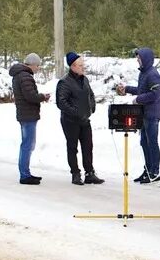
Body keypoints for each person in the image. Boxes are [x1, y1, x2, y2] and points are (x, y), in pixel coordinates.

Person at [55, 52, 105, 186]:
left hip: (85, 119)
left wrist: (92, 107)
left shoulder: (84, 79)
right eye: (81, 65)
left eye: (83, 65)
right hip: (70, 121)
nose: (84, 67)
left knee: (88, 146)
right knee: (72, 147)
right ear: (73, 66)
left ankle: (90, 173)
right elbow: (61, 102)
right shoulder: (64, 82)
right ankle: (75, 173)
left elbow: (91, 95)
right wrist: (75, 112)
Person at [126, 46, 160, 183]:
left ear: (146, 59)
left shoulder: (153, 74)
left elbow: (155, 94)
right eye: (137, 57)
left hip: (152, 114)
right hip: (144, 114)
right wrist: (126, 89)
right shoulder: (143, 73)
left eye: (139, 57)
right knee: (144, 142)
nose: (137, 59)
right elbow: (141, 90)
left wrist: (138, 99)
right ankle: (148, 170)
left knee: (151, 143)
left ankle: (155, 172)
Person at [9, 53, 45, 184]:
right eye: (38, 66)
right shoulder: (25, 76)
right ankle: (24, 175)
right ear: (32, 64)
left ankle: (26, 172)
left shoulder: (19, 75)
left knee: (28, 143)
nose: (38, 68)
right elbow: (30, 96)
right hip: (27, 114)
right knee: (27, 144)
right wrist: (42, 97)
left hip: (25, 114)